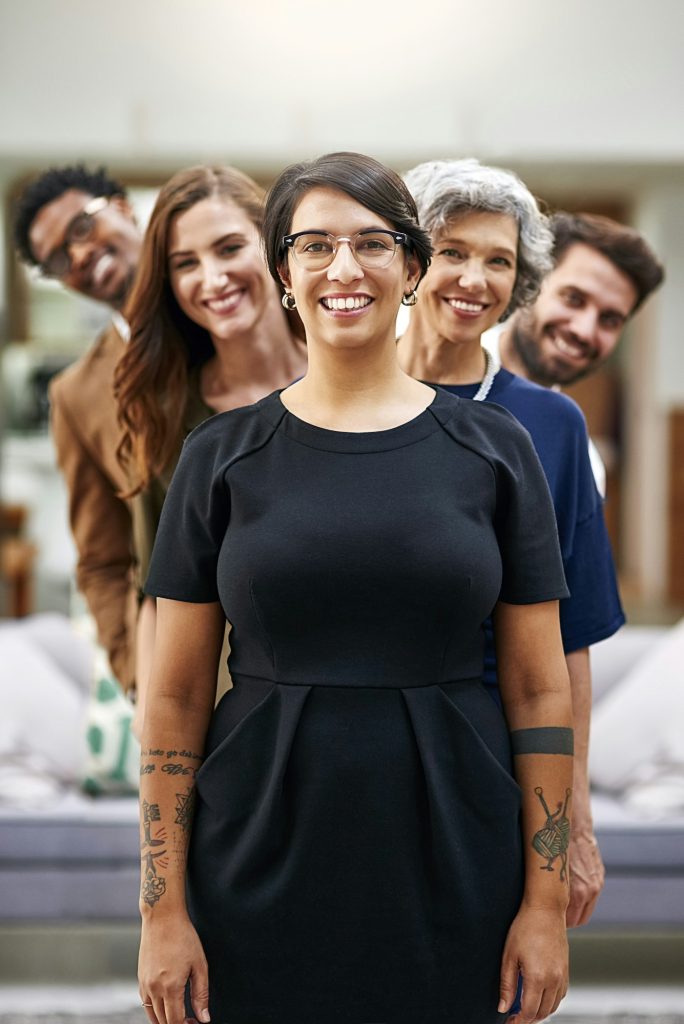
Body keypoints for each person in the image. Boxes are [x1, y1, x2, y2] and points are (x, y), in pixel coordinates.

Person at [138, 151, 573, 1024]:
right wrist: (161, 909)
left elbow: (536, 686)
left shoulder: (497, 450)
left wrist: (547, 903)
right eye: (314, 246)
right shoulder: (218, 457)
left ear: (411, 270)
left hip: (458, 844)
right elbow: (177, 693)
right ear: (284, 276)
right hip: (255, 847)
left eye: (373, 244)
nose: (344, 269)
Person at [398, 158, 625, 930]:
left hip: (493, 761)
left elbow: (572, 640)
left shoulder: (552, 427)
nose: (475, 278)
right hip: (348, 751)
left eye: (499, 261)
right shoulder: (329, 405)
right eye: (453, 251)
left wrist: (576, 823)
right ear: (407, 258)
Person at [114, 165, 307, 732]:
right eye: (186, 263)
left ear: (275, 251)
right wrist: (157, 751)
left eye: (229, 248)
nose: (212, 278)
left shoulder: (359, 383)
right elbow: (158, 598)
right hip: (228, 709)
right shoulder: (166, 414)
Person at [13, 165, 143, 692]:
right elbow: (102, 560)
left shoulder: (234, 316)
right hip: (181, 663)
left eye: (82, 228)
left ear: (123, 207)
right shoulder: (78, 395)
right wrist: (135, 671)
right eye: (59, 260)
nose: (81, 256)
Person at [496, 210, 664, 389]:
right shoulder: (462, 379)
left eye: (610, 319)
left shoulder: (559, 415)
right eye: (573, 299)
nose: (584, 331)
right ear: (529, 283)